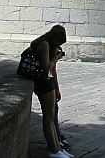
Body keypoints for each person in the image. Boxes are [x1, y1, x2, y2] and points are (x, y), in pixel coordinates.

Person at [29, 25, 73, 158]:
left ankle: (58, 148)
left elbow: (53, 71)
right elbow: (46, 67)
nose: (59, 44)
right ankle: (53, 150)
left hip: (48, 83)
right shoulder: (44, 45)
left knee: (52, 116)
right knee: (48, 118)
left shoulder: (50, 46)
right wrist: (56, 58)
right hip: (43, 84)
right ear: (55, 38)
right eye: (59, 42)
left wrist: (57, 88)